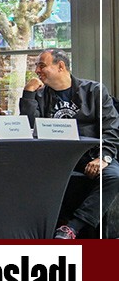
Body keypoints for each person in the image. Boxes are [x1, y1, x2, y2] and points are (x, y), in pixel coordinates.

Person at [19, 49, 119, 239]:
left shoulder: (94, 91)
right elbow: (28, 127)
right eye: (37, 66)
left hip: (90, 155)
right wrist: (28, 94)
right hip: (56, 157)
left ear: (61, 66)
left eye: (42, 65)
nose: (37, 70)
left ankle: (72, 227)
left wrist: (103, 157)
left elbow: (111, 128)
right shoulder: (39, 95)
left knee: (114, 176)